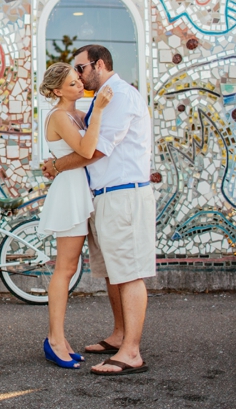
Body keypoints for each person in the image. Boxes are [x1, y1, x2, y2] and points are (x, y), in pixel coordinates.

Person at [42, 44, 155, 376]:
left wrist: (56, 165)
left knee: (129, 271)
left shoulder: (119, 95)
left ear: (99, 64)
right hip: (99, 196)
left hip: (122, 194)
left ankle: (130, 352)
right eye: (73, 72)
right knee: (112, 271)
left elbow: (97, 149)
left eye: (80, 68)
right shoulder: (97, 100)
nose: (77, 75)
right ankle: (120, 335)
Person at [37, 62, 112, 369]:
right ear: (57, 90)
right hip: (68, 194)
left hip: (77, 189)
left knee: (68, 269)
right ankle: (55, 340)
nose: (80, 86)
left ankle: (60, 339)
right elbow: (84, 149)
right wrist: (102, 111)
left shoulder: (77, 114)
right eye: (72, 84)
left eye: (78, 81)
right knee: (64, 270)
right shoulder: (58, 115)